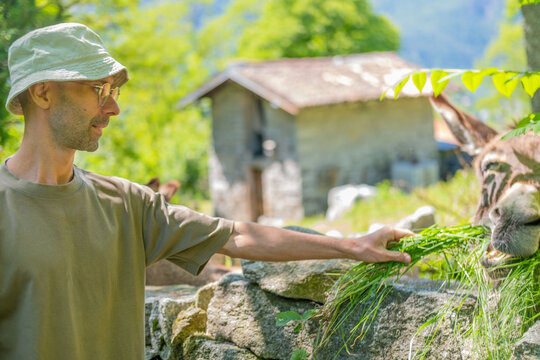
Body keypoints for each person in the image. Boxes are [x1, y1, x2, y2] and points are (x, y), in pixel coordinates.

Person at [0, 23, 412, 359]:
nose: (113, 108)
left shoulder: (127, 203)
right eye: (98, 89)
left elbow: (238, 235)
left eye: (115, 91)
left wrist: (353, 247)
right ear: (43, 92)